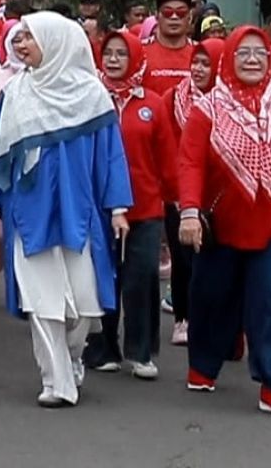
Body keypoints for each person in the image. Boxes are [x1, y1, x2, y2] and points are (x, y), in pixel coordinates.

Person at [0, 12, 132, 408]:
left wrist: (118, 208)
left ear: (56, 41)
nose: (20, 45)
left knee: (83, 304)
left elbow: (111, 157)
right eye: (18, 38)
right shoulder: (14, 96)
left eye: (29, 38)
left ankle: (73, 356)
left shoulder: (92, 98)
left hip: (81, 214)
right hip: (29, 214)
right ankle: (55, 380)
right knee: (43, 300)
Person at [178, 26, 271, 417]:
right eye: (244, 53)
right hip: (222, 220)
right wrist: (190, 211)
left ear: (269, 59)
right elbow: (190, 162)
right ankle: (203, 363)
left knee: (269, 298)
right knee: (212, 293)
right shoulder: (207, 108)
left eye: (259, 52)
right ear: (230, 59)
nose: (253, 60)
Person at [84, 31, 177, 380]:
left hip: (146, 207)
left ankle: (141, 351)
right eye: (108, 52)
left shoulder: (152, 103)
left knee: (141, 278)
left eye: (122, 53)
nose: (113, 59)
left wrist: (176, 203)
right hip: (100, 207)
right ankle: (104, 348)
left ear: (135, 57)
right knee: (102, 278)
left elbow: (167, 159)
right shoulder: (92, 99)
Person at [162, 39, 224, 347]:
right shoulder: (174, 97)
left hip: (218, 195)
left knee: (213, 264)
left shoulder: (229, 102)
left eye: (206, 63)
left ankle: (215, 321)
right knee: (183, 259)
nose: (198, 69)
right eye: (195, 62)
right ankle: (182, 318)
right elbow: (162, 142)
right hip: (178, 192)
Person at [142, 0, 195, 95]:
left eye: (181, 13)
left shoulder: (200, 52)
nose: (174, 17)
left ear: (189, 16)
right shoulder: (140, 50)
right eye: (167, 13)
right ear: (157, 16)